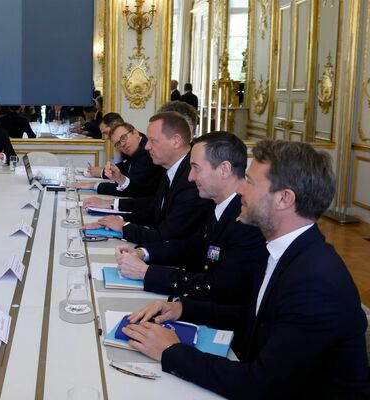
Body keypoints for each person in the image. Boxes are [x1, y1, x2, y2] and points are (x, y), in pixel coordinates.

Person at [121, 140, 370, 398]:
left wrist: (171, 352)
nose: (241, 189)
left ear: (284, 199)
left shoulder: (315, 282)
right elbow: (254, 318)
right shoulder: (286, 251)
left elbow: (261, 385)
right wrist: (182, 308)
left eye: (249, 182)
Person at [115, 131, 266, 304]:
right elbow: (192, 247)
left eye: (196, 168)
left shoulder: (247, 221)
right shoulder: (219, 205)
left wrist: (146, 273)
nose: (190, 177)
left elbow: (217, 287)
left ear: (224, 170)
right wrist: (144, 253)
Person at [84, 112, 212, 245]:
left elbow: (165, 237)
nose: (146, 146)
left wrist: (124, 226)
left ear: (176, 141)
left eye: (153, 141)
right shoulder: (172, 169)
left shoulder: (191, 179)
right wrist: (117, 219)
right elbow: (154, 211)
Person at [72, 122, 163, 198]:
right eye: (118, 143)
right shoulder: (134, 147)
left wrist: (93, 185)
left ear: (135, 133)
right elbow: (122, 172)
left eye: (123, 138)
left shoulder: (145, 151)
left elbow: (129, 188)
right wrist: (117, 150)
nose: (122, 144)